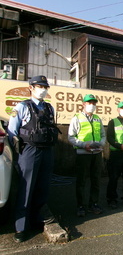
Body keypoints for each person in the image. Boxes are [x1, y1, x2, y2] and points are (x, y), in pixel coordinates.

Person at [8, 75, 59, 243]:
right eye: (39, 86)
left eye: (45, 87)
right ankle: (21, 227)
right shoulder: (22, 106)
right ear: (31, 87)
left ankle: (39, 218)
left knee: (43, 187)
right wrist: (17, 153)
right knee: (26, 188)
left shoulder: (50, 108)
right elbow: (12, 132)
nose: (43, 89)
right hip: (29, 150)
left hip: (47, 150)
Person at [68, 94, 106, 216]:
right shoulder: (77, 118)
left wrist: (101, 144)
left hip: (97, 153)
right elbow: (71, 137)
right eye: (89, 103)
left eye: (94, 103)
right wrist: (84, 145)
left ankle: (93, 203)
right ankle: (80, 205)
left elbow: (103, 135)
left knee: (96, 180)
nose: (92, 105)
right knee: (81, 181)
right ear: (83, 104)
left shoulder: (97, 118)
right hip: (83, 154)